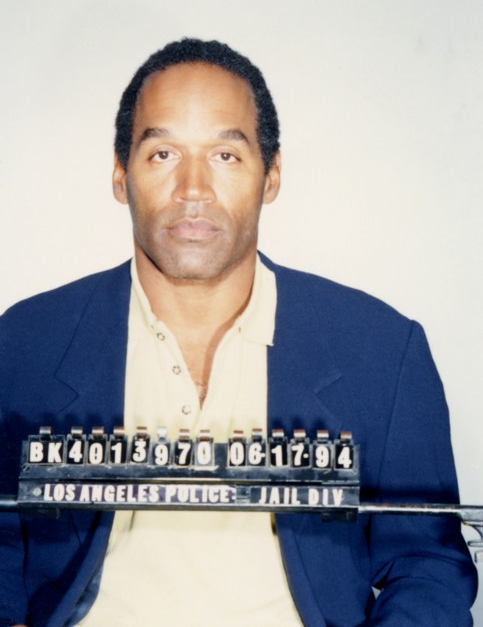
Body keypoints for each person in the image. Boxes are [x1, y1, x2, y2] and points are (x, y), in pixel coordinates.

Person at [0, 38, 477, 627]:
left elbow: (428, 566)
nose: (193, 189)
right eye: (162, 154)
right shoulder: (24, 344)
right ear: (121, 175)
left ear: (271, 176)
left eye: (226, 155)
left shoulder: (381, 350)